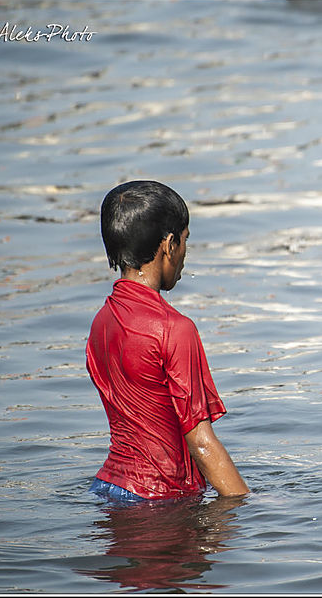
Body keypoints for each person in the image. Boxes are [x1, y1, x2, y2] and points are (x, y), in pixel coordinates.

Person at [86, 180, 249, 501]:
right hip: (159, 495)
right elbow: (201, 442)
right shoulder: (174, 328)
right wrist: (254, 506)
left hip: (109, 487)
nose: (185, 254)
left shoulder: (101, 322)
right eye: (186, 240)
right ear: (169, 244)